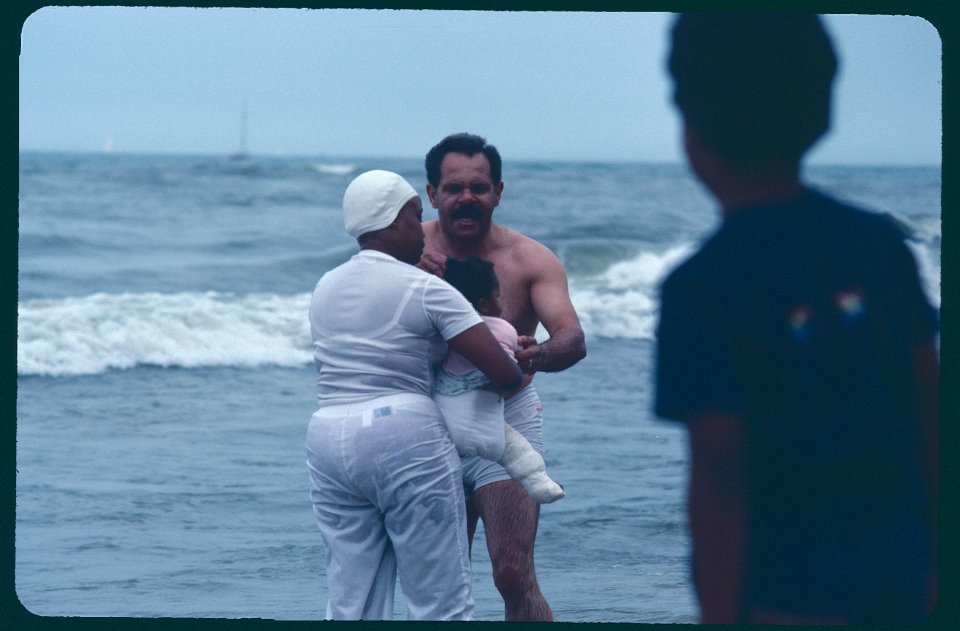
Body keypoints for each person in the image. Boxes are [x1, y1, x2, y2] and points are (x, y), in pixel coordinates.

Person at [655, 13, 939, 625]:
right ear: (822, 109)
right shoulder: (880, 248)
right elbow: (932, 410)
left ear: (691, 124)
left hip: (784, 593)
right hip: (904, 578)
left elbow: (721, 476)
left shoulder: (700, 287)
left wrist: (721, 616)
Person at [305, 170, 522, 620]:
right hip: (402, 435)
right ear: (392, 220)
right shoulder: (426, 288)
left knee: (352, 598)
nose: (424, 233)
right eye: (415, 218)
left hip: (327, 436)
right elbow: (504, 373)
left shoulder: (325, 286)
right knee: (440, 599)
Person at [419, 133, 587, 621]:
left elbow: (572, 339)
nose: (466, 197)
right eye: (453, 188)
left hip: (505, 417)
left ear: (498, 191)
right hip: (431, 422)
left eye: (479, 187)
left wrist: (537, 355)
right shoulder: (408, 253)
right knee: (438, 577)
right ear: (432, 195)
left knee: (512, 572)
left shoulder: (529, 259)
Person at [434, 255, 565, 504]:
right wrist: (523, 353)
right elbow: (508, 375)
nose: (500, 304)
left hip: (440, 425)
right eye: (497, 297)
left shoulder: (438, 326)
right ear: (484, 304)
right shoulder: (501, 328)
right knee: (515, 451)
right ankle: (539, 484)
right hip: (488, 427)